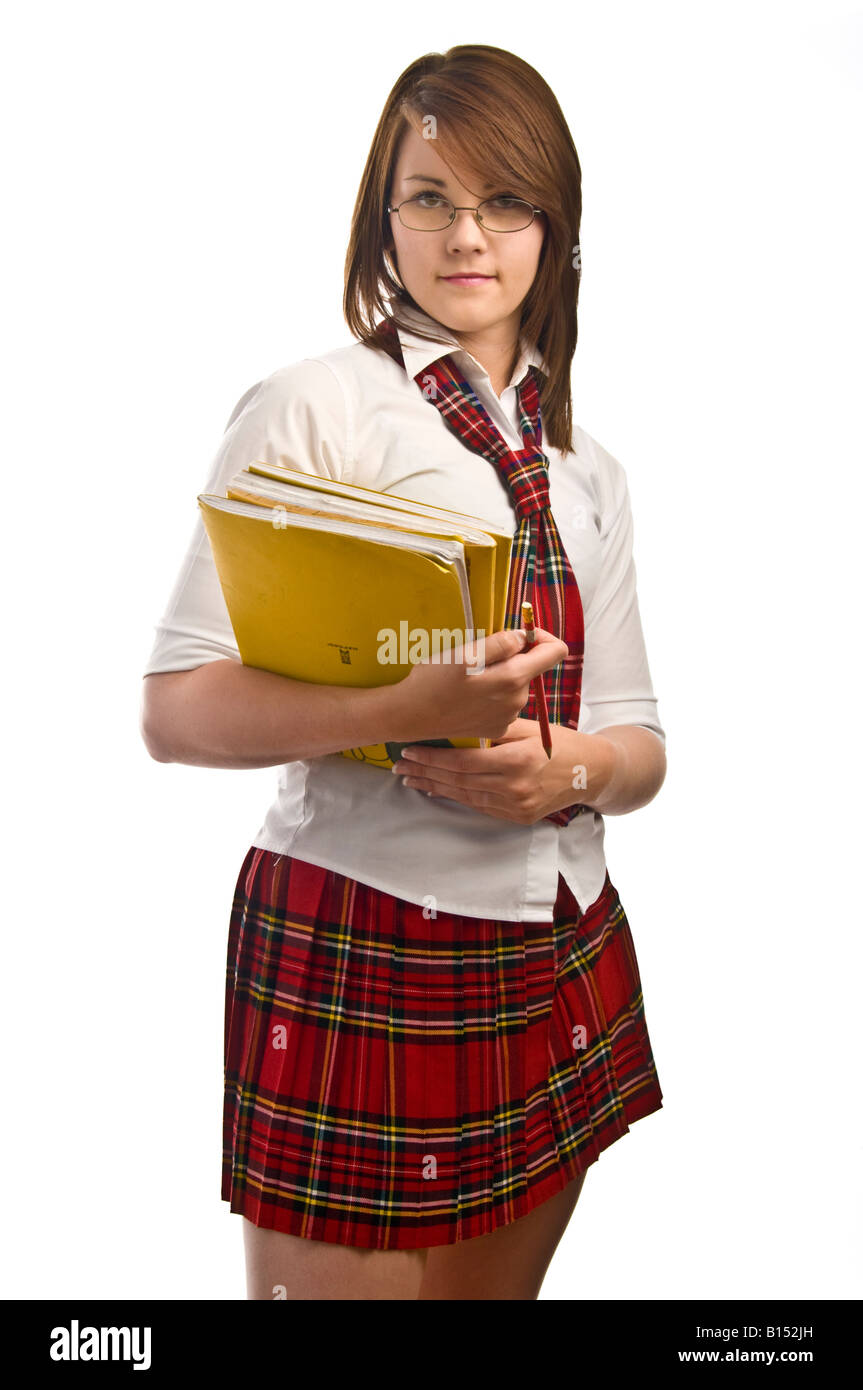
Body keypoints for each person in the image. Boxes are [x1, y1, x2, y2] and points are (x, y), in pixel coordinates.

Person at [140, 44, 668, 1301]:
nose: (464, 233)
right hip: (361, 928)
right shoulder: (314, 406)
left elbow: (640, 743)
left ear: (556, 225)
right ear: (383, 217)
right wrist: (405, 710)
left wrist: (566, 770)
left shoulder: (585, 464)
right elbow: (172, 709)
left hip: (558, 935)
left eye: (503, 200)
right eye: (428, 197)